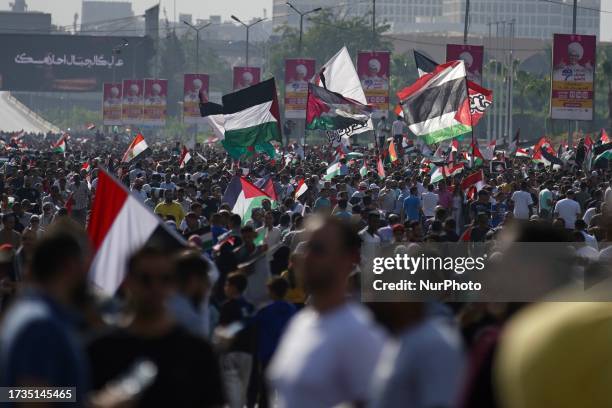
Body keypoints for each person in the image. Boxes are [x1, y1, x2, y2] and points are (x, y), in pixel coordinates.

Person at [268, 217, 385, 408]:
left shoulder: (361, 334)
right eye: (306, 247)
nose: (307, 257)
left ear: (349, 259)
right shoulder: (301, 323)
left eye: (318, 249)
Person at [88, 247, 225, 407]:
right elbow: (56, 394)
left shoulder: (197, 352)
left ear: (174, 285)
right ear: (128, 283)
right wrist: (97, 401)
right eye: (145, 279)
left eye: (165, 279)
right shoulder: (100, 346)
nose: (155, 287)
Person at [0, 233, 90, 403]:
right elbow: (29, 396)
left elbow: (9, 393)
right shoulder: (40, 325)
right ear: (69, 267)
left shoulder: (27, 310)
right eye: (84, 266)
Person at [253, 277, 296, 408]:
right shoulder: (292, 310)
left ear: (271, 291)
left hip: (268, 354)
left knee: (265, 391)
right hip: (287, 355)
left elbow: (253, 329)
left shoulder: (264, 311)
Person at [216, 272, 255, 408]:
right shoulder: (250, 307)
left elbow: (223, 330)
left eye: (227, 284)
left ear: (233, 287)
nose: (225, 287)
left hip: (230, 353)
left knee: (231, 392)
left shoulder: (227, 306)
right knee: (242, 392)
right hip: (248, 352)